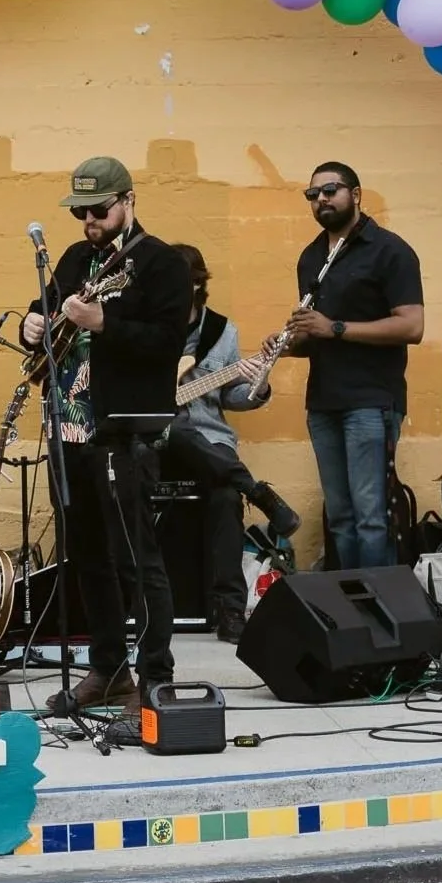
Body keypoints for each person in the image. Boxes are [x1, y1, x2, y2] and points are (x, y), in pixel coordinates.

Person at [21, 156, 192, 744]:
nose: (89, 221)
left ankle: (155, 678)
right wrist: (33, 324)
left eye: (99, 210)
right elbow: (47, 304)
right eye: (80, 212)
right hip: (68, 429)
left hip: (124, 430)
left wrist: (103, 323)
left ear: (129, 201)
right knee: (88, 555)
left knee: (138, 560)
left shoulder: (161, 263)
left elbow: (169, 341)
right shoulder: (73, 258)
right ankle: (108, 668)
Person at [286, 162, 423, 569]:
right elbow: (319, 338)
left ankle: (378, 613)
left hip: (370, 400)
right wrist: (292, 343)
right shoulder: (311, 257)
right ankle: (348, 606)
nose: (322, 199)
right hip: (323, 402)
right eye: (313, 195)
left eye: (331, 190)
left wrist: (336, 328)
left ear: (356, 194)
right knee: (340, 516)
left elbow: (412, 326)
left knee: (370, 517)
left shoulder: (390, 250)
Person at [161, 244, 300, 644]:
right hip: (156, 441)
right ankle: (258, 492)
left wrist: (257, 384)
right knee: (176, 424)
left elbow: (230, 399)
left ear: (197, 284)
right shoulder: (148, 327)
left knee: (223, 496)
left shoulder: (222, 332)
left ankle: (230, 611)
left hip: (210, 446)